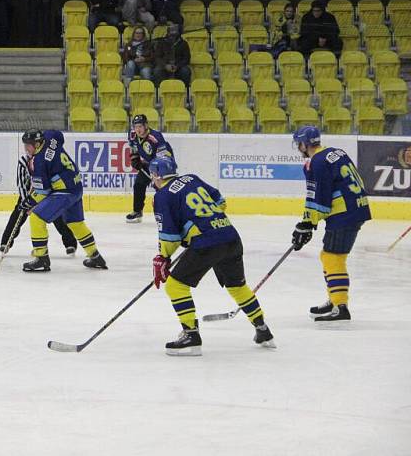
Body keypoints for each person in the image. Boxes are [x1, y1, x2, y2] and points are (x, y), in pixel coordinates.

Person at [149, 156, 275, 356]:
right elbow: (220, 203)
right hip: (230, 236)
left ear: (156, 175)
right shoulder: (192, 179)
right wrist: (203, 224)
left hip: (207, 243)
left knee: (175, 286)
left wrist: (162, 257)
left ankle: (191, 336)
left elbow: (170, 237)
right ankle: (263, 330)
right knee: (238, 286)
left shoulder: (162, 196)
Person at [290, 126, 371, 322]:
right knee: (330, 256)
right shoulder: (336, 152)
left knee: (333, 258)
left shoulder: (316, 162)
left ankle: (340, 306)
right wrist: (309, 223)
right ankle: (334, 299)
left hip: (344, 214)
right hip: (356, 208)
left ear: (303, 144)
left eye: (298, 144)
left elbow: (319, 198)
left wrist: (306, 223)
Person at [20, 129, 107, 272]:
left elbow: (43, 192)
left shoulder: (40, 162)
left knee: (36, 218)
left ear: (37, 144)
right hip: (76, 187)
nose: (26, 149)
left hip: (64, 192)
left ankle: (41, 258)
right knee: (75, 223)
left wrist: (29, 202)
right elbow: (58, 134)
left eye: (28, 145)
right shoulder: (50, 137)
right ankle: (95, 255)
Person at [1, 151, 77, 255]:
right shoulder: (23, 161)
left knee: (56, 215)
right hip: (30, 193)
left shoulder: (47, 160)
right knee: (19, 212)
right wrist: (26, 203)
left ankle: (70, 243)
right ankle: (6, 242)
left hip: (47, 191)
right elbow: (22, 185)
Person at [125, 113, 174, 223]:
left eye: (140, 126)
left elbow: (164, 156)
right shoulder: (132, 134)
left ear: (146, 125)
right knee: (139, 184)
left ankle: (168, 213)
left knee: (162, 190)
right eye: (136, 126)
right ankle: (137, 211)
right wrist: (135, 158)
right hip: (148, 164)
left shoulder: (155, 137)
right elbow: (133, 147)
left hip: (163, 164)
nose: (138, 129)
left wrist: (156, 171)